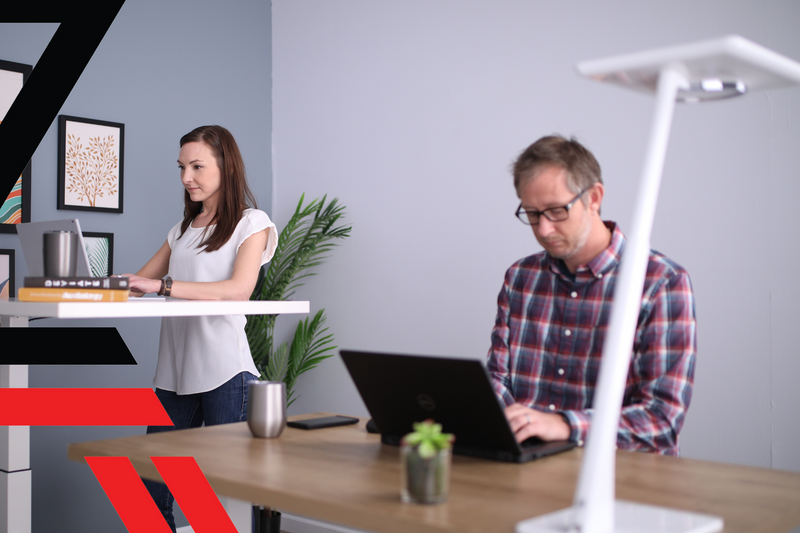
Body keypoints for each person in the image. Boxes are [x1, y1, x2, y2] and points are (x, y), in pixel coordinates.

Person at [487, 135, 696, 456]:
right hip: (526, 470)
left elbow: (662, 420)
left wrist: (564, 425)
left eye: (556, 211)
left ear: (594, 198)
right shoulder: (520, 277)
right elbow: (499, 382)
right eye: (531, 213)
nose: (543, 229)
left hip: (620, 477)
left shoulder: (660, 282)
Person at [123, 125, 277, 531]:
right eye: (181, 167)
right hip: (174, 375)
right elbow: (136, 288)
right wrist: (70, 285)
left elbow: (238, 290)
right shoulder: (182, 230)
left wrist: (164, 286)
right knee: (149, 489)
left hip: (225, 372)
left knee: (226, 494)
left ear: (226, 168)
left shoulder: (252, 223)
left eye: (196, 166)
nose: (185, 177)